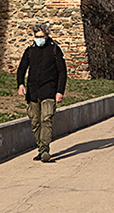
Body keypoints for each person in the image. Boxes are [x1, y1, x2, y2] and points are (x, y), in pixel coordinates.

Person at [17, 23, 67, 163]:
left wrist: (60, 91)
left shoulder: (55, 50)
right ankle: (40, 148)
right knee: (35, 121)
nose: (39, 39)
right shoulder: (30, 50)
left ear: (47, 36)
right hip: (33, 91)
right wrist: (20, 85)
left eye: (41, 36)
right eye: (36, 36)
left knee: (46, 119)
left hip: (49, 90)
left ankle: (44, 149)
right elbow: (21, 69)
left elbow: (62, 72)